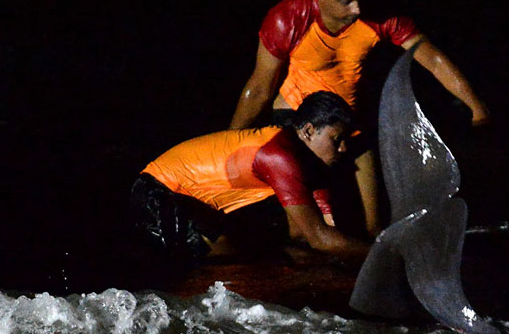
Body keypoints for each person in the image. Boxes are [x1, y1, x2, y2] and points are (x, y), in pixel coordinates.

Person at [229, 0, 491, 235]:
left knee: (374, 226)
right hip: (298, 118)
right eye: (346, 2)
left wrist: (478, 110)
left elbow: (434, 60)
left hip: (350, 119)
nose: (356, 10)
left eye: (360, 0)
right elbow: (259, 88)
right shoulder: (289, 16)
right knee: (310, 230)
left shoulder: (381, 14)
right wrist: (230, 143)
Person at [131, 91, 370, 263]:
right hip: (159, 194)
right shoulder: (279, 156)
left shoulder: (310, 161)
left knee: (287, 252)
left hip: (193, 203)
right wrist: (384, 254)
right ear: (308, 131)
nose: (344, 149)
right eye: (336, 140)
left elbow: (318, 232)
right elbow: (320, 239)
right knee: (251, 257)